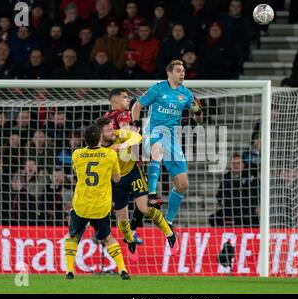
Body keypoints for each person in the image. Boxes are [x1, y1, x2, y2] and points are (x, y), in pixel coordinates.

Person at [131, 60, 204, 229]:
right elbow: (137, 106)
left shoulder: (186, 94)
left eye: (184, 71)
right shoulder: (157, 89)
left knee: (183, 184)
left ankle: (169, 221)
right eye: (178, 70)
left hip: (172, 138)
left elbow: (199, 119)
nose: (182, 73)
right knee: (158, 148)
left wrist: (198, 111)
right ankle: (151, 194)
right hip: (153, 131)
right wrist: (135, 128)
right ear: (169, 73)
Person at [97, 114, 177, 254]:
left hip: (133, 173)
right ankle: (130, 239)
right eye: (109, 131)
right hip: (116, 182)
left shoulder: (119, 134)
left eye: (112, 128)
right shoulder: (98, 149)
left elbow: (137, 137)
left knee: (144, 208)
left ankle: (169, 233)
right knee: (122, 219)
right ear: (100, 135)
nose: (113, 132)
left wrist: (124, 145)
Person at [63, 123, 130, 280]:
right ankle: (122, 270)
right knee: (108, 237)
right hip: (101, 206)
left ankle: (69, 272)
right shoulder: (110, 155)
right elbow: (117, 179)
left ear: (85, 140)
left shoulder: (77, 154)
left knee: (72, 236)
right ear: (100, 138)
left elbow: (76, 172)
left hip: (81, 205)